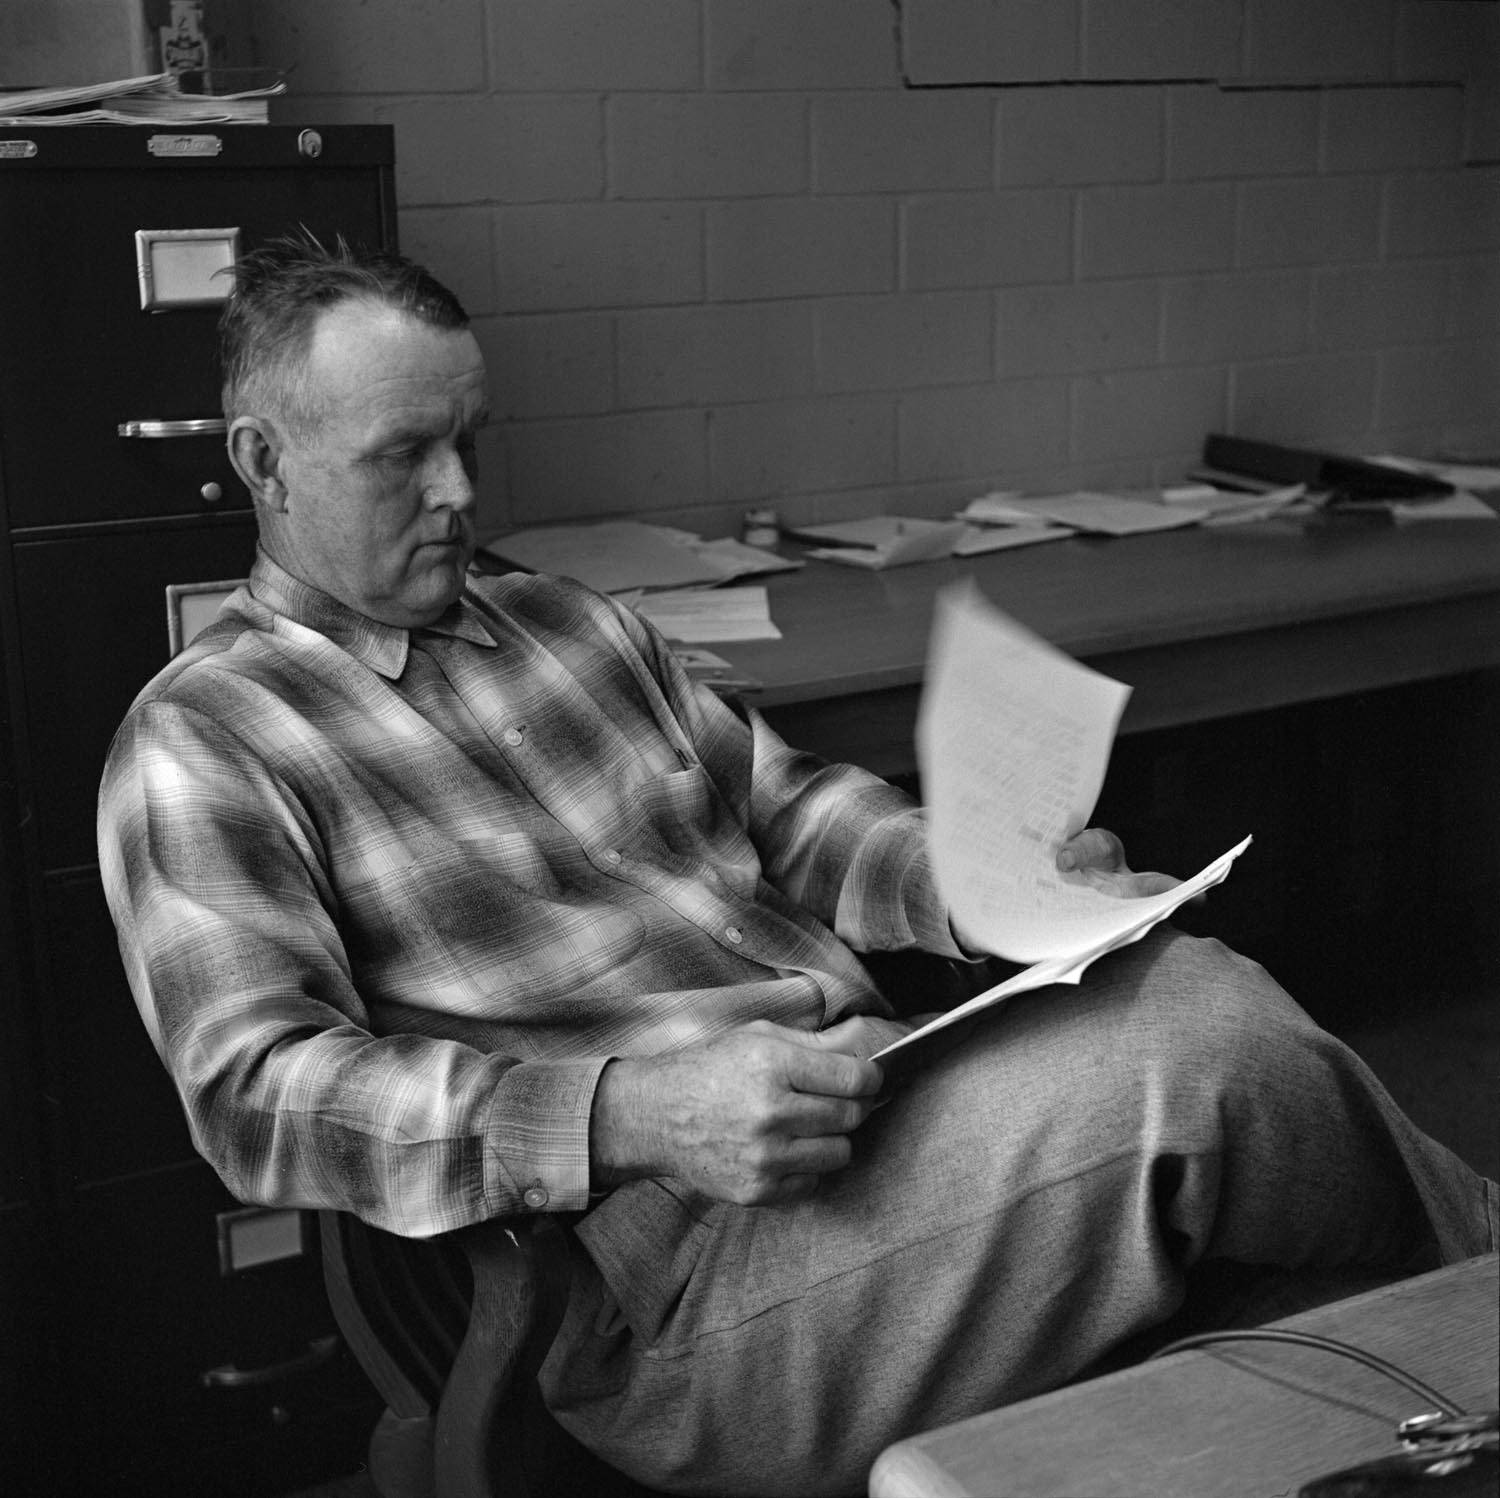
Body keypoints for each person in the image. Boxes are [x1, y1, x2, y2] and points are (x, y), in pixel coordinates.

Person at [98, 236, 1496, 1498]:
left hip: (893, 1096)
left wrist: (990, 886)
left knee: (1213, 1051)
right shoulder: (207, 738)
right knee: (1210, 1057)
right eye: (403, 456)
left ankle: (1445, 1367)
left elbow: (798, 810)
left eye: (470, 440)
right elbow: (257, 1095)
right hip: (692, 1278)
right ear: (264, 461)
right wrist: (631, 1113)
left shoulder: (570, 624)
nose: (461, 493)